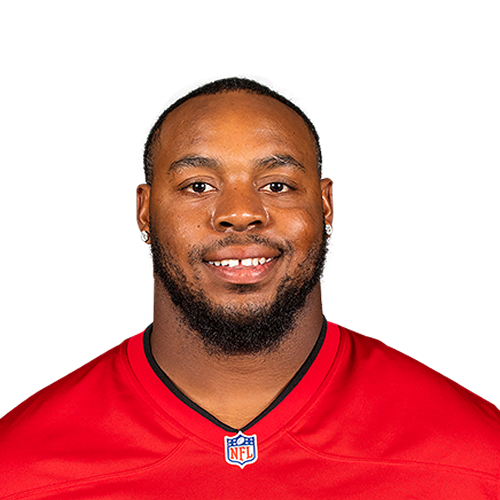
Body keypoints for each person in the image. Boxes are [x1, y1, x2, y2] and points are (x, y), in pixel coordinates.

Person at [1, 75, 498, 499]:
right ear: (144, 211)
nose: (240, 213)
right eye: (199, 186)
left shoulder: (477, 458)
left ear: (326, 205)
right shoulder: (19, 467)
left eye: (276, 185)